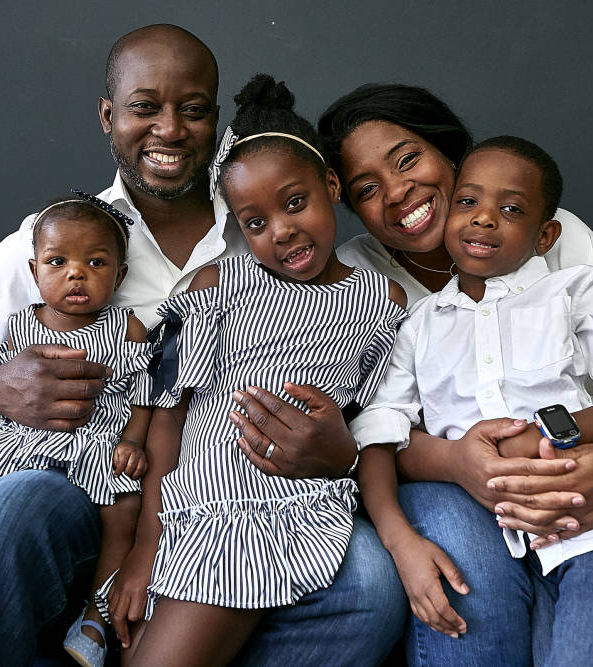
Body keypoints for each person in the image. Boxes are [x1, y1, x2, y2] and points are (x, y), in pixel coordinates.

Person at [0, 26, 405, 665]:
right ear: (109, 117)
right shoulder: (61, 237)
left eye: (192, 110)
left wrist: (341, 452)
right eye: (145, 108)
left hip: (249, 496)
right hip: (87, 494)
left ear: (216, 121)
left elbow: (365, 378)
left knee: (369, 583)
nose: (169, 129)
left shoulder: (268, 210)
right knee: (9, 507)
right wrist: (0, 387)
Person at [277, 83, 593, 666]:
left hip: (592, 457)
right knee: (474, 562)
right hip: (450, 484)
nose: (398, 192)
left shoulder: (561, 252)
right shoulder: (360, 280)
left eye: (408, 160)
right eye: (367, 188)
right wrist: (456, 465)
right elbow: (371, 431)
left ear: (450, 156)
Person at [355, 135, 593, 665]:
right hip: (501, 538)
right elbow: (379, 432)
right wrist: (398, 536)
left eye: (510, 209)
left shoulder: (577, 291)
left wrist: (551, 431)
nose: (483, 219)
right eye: (468, 202)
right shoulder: (419, 325)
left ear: (546, 235)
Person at [113, 74, 407, 666]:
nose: (282, 230)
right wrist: (146, 546)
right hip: (193, 506)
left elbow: (372, 419)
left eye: (294, 203)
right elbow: (169, 411)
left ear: (330, 185)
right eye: (254, 222)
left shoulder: (382, 301)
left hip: (278, 513)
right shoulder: (222, 285)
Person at [0, 194, 151, 666]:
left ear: (118, 275)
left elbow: (144, 393)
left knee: (126, 508)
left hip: (94, 442)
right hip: (23, 439)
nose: (77, 273)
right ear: (35, 273)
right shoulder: (17, 325)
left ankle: (96, 618)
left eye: (96, 263)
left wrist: (134, 440)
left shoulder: (126, 327)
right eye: (59, 262)